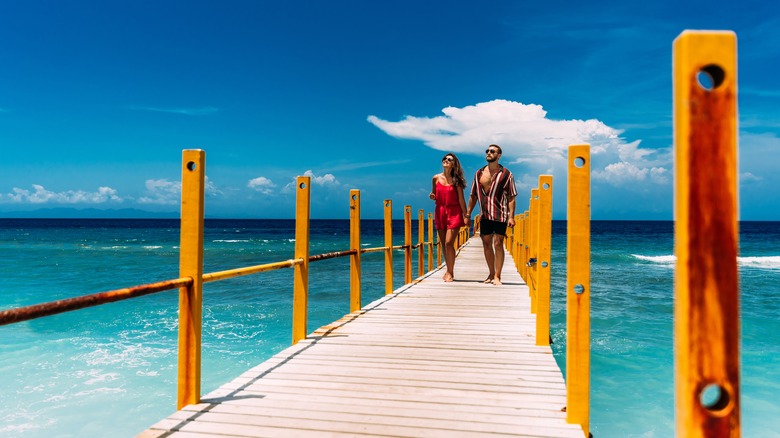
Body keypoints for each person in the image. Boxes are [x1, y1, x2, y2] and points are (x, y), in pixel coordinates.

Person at [466, 144, 517, 286]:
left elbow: (512, 197)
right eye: (487, 151)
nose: (489, 153)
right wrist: (468, 213)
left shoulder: (507, 174)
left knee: (498, 243)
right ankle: (490, 273)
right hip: (484, 215)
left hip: (501, 214)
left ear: (499, 155)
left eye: (492, 151)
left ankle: (497, 276)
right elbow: (473, 195)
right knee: (487, 244)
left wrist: (511, 216)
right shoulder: (479, 173)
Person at [429, 153, 468, 282]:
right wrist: (432, 195)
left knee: (449, 242)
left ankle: (450, 272)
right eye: (444, 159)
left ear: (454, 164)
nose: (446, 160)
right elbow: (434, 193)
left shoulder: (456, 181)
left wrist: (466, 215)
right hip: (440, 211)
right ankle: (449, 270)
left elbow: (461, 199)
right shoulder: (435, 178)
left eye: (449, 159)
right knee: (444, 245)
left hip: (454, 211)